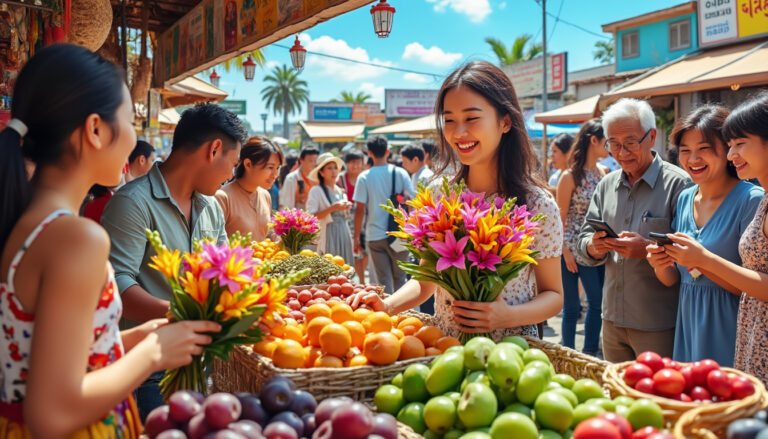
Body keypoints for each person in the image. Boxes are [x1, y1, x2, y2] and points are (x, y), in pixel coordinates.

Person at [0, 44, 219, 438]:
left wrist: (138, 337)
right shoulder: (76, 237)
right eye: (130, 120)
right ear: (96, 130)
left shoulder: (28, 222)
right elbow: (52, 413)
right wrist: (153, 353)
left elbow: (49, 351)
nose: (134, 139)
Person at [355, 61, 564, 340]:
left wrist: (506, 316)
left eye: (471, 118)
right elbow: (426, 281)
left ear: (505, 122)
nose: (458, 132)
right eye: (449, 120)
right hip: (445, 347)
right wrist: (387, 305)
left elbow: (554, 295)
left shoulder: (537, 204)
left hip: (513, 352)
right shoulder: (440, 195)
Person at [101, 102, 245, 420]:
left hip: (200, 362)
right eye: (233, 163)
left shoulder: (211, 208)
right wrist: (183, 314)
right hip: (146, 367)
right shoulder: (132, 204)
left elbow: (225, 272)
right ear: (214, 149)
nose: (231, 175)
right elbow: (116, 286)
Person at [647, 93, 768, 384]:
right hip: (689, 324)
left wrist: (703, 260)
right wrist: (660, 263)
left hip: (733, 325)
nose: (693, 159)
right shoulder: (685, 198)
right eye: (684, 150)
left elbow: (749, 284)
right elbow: (678, 278)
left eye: (704, 148)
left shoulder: (751, 199)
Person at [576, 98, 692, 362]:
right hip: (611, 320)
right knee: (615, 387)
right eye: (613, 144)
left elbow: (691, 258)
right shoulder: (606, 185)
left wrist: (646, 249)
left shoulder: (679, 185)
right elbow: (583, 241)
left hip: (658, 324)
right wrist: (593, 247)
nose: (621, 152)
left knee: (660, 388)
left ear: (651, 137)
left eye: (630, 143)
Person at [555, 119, 610, 356]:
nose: (610, 146)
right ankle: (569, 356)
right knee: (572, 307)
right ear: (594, 140)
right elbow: (559, 219)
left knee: (597, 304)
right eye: (607, 140)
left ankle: (588, 355)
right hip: (572, 249)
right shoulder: (569, 176)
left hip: (598, 247)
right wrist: (565, 252)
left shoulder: (605, 173)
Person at [353, 136, 413, 294]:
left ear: (369, 153)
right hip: (400, 234)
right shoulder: (401, 173)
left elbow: (360, 209)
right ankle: (403, 309)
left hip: (375, 236)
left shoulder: (364, 177)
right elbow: (411, 202)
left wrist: (356, 237)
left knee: (383, 281)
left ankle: (388, 308)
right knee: (400, 278)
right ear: (387, 152)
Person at [215, 136, 283, 241]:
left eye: (277, 168)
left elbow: (265, 234)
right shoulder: (223, 197)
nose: (275, 175)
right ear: (248, 164)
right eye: (270, 167)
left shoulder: (265, 196)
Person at [307, 153, 354, 263]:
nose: (334, 171)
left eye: (335, 168)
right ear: (321, 172)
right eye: (329, 168)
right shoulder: (316, 191)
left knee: (345, 264)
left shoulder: (339, 190)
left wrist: (346, 207)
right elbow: (311, 216)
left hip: (343, 230)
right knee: (331, 263)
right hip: (328, 232)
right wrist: (332, 208)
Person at [338, 150, 369, 283]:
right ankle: (361, 280)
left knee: (367, 251)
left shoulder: (366, 177)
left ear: (362, 163)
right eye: (352, 162)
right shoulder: (340, 179)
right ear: (347, 163)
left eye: (358, 162)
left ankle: (361, 275)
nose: (355, 165)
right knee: (355, 251)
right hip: (347, 219)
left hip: (366, 218)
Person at [279, 144, 319, 210]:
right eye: (310, 161)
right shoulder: (291, 179)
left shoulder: (318, 178)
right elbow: (286, 205)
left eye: (315, 161)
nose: (314, 164)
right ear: (301, 160)